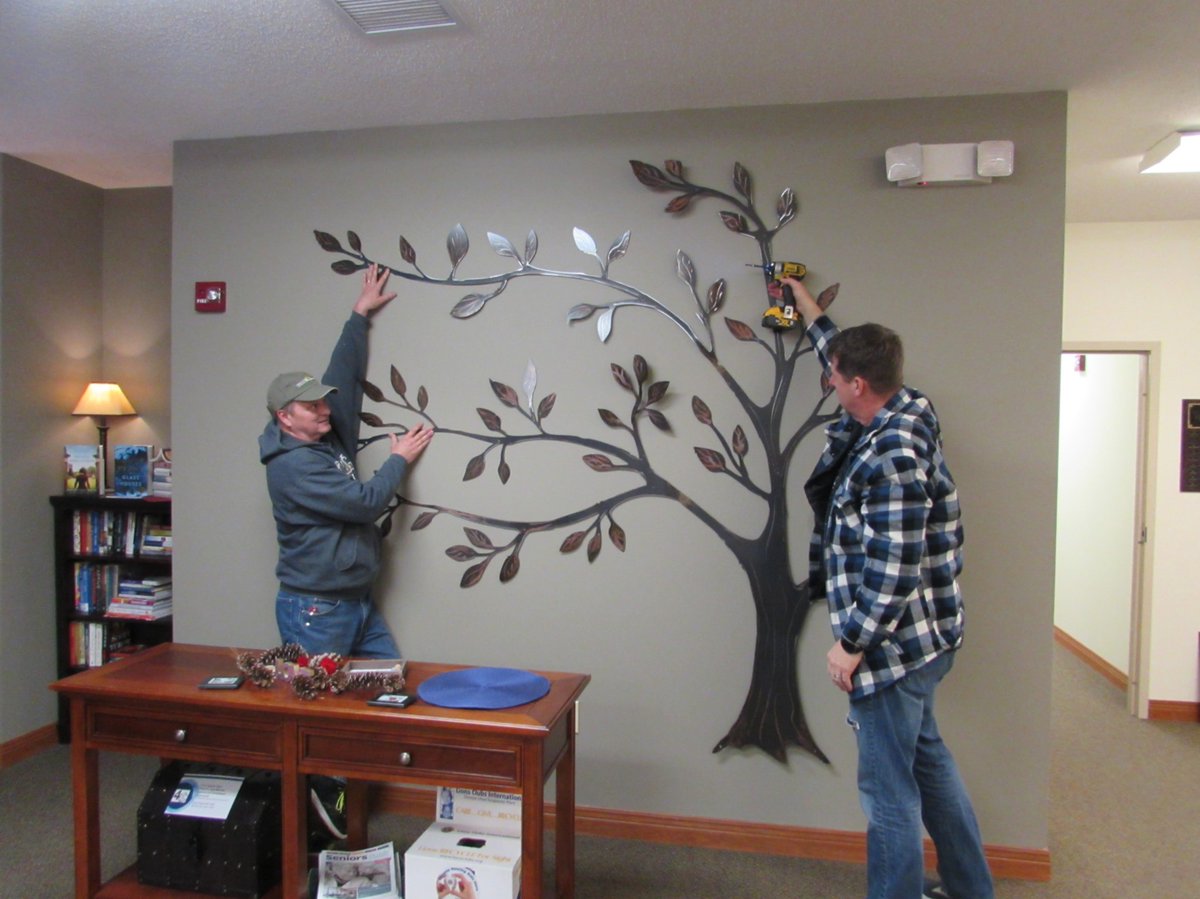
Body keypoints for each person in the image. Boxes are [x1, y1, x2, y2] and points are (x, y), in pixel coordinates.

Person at [779, 276, 994, 899]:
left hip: (892, 650)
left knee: (888, 796)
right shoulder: (909, 406)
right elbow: (841, 354)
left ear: (856, 386)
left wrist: (851, 644)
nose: (829, 381)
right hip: (927, 640)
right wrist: (811, 312)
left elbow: (895, 564)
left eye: (834, 375)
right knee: (930, 764)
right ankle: (972, 890)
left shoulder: (893, 455)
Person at [259, 262, 433, 659]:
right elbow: (365, 503)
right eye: (311, 406)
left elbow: (344, 372)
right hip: (316, 609)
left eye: (322, 401)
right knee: (319, 710)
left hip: (354, 601)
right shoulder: (294, 466)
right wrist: (398, 459)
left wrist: (359, 315)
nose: (324, 410)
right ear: (285, 417)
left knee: (387, 689)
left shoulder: (324, 430)